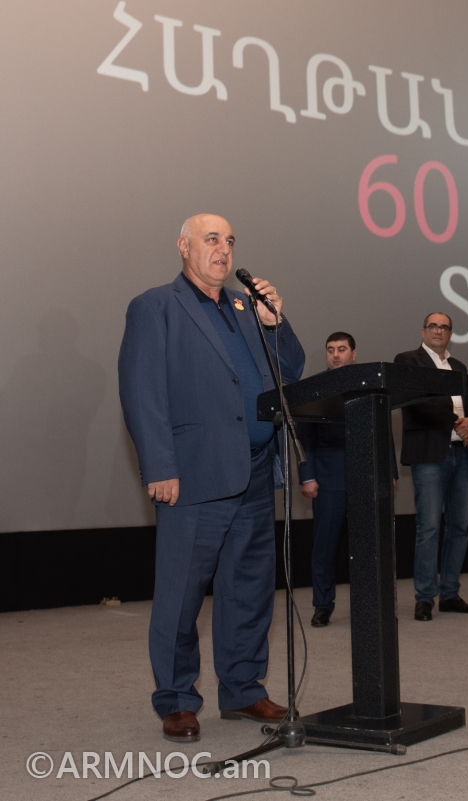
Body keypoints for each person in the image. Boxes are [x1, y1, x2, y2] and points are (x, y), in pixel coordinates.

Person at [117, 214, 305, 743]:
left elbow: (291, 369)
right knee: (181, 593)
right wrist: (160, 466)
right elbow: (141, 390)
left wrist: (276, 323)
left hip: (255, 469)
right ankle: (177, 699)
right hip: (194, 473)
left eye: (230, 241)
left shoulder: (247, 308)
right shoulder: (155, 306)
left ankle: (243, 689)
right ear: (184, 247)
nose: (223, 249)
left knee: (249, 589)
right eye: (212, 239)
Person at [297, 332, 397, 628]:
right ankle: (322, 605)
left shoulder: (369, 384)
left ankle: (368, 605)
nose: (336, 355)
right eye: (331, 350)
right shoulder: (314, 387)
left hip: (366, 476)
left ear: (354, 353)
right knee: (324, 547)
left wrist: (389, 471)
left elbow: (383, 430)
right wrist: (307, 476)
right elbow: (304, 438)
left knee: (368, 547)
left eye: (342, 349)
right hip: (328, 479)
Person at [394, 313, 468, 622]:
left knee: (459, 526)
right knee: (429, 527)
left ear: (450, 333)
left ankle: (449, 594)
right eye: (433, 326)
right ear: (423, 331)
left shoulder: (458, 367)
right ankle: (424, 598)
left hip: (462, 454)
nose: (438, 330)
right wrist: (458, 423)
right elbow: (418, 403)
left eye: (444, 327)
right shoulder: (409, 361)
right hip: (430, 454)